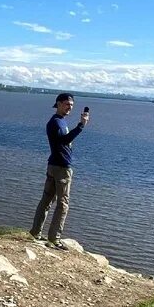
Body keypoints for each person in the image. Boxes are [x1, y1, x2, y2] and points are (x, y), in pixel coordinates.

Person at [29, 92, 90, 248]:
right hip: (61, 168)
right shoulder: (56, 122)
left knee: (47, 200)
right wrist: (81, 126)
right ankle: (54, 239)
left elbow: (63, 142)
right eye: (66, 104)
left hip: (54, 165)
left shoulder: (60, 121)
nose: (69, 107)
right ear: (58, 104)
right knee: (62, 203)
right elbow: (64, 141)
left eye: (71, 105)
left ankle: (35, 233)